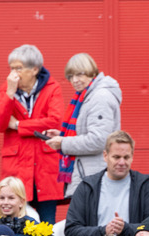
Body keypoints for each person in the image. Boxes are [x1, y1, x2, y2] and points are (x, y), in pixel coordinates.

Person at [0, 45, 63, 225]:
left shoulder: (52, 88)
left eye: (18, 68)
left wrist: (18, 125)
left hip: (45, 169)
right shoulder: (7, 89)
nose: (13, 73)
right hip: (17, 167)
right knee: (16, 225)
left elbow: (53, 121)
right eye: (12, 68)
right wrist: (9, 94)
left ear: (34, 69)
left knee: (46, 227)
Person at [64, 131, 149, 236]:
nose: (122, 162)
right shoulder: (86, 187)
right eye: (116, 157)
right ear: (105, 156)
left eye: (126, 157)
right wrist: (104, 231)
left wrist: (125, 229)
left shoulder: (145, 186)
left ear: (132, 156)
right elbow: (71, 232)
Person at [44, 53, 122, 198]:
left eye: (79, 75)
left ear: (91, 72)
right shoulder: (87, 96)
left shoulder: (99, 98)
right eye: (71, 76)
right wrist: (61, 136)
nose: (75, 80)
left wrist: (64, 142)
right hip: (90, 178)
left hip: (95, 180)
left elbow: (98, 140)